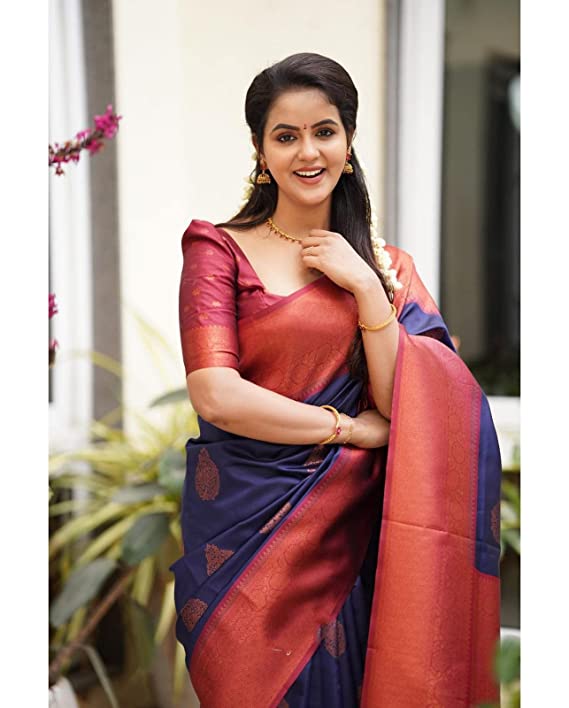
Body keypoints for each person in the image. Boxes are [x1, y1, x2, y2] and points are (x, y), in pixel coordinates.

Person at [171, 52, 502, 707]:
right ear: (260, 150)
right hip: (243, 536)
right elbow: (216, 393)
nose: (307, 152)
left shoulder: (388, 268)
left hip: (355, 541)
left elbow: (410, 401)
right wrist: (349, 430)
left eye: (323, 131)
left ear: (348, 142)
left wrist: (366, 290)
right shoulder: (217, 250)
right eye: (285, 136)